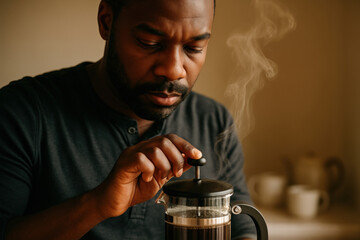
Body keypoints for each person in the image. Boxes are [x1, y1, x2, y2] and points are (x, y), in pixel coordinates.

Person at [0, 0, 256, 239]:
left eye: (194, 48)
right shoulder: (21, 113)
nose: (174, 69)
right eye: (150, 42)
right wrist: (98, 204)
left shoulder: (214, 120)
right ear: (106, 21)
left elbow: (242, 223)